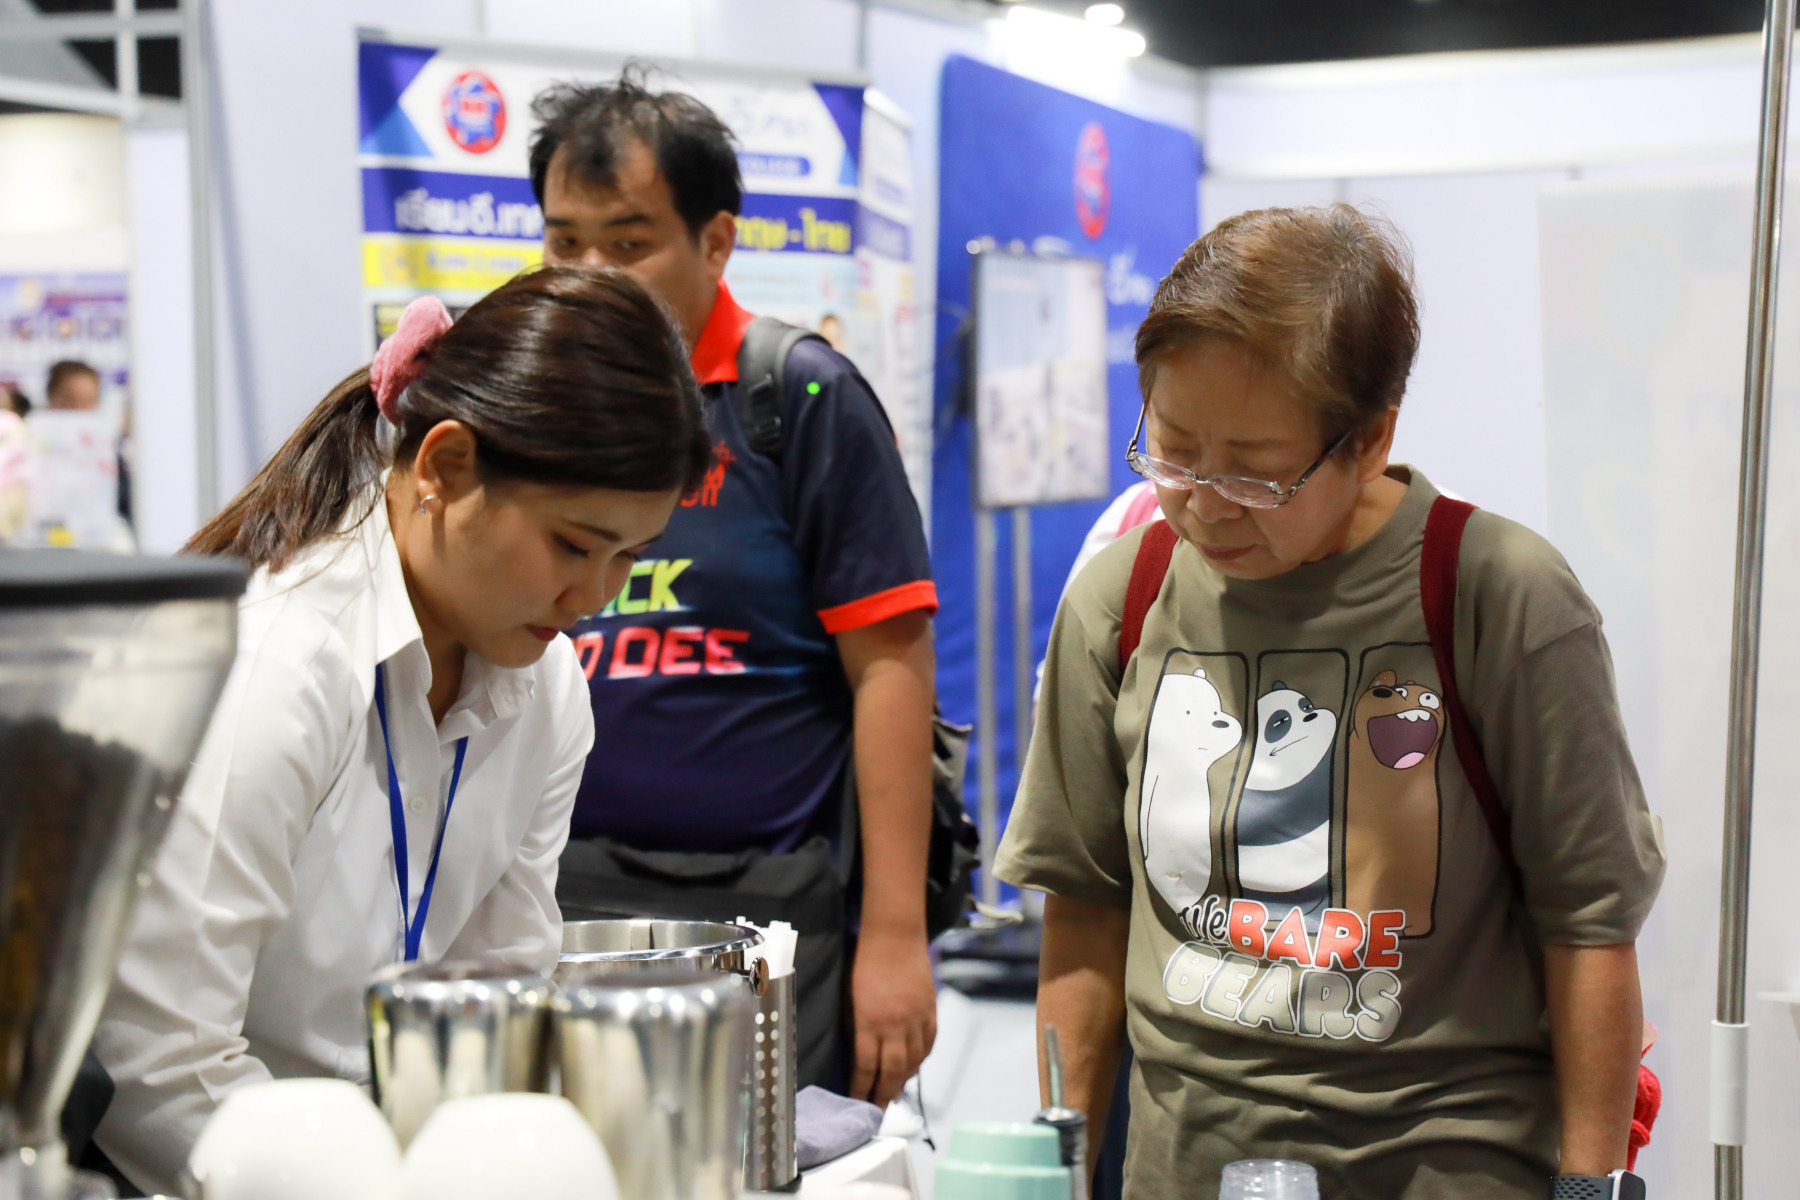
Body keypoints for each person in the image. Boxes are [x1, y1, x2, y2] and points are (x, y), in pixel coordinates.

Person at [997, 206, 1665, 1199]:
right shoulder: (1122, 598)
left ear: (1371, 438)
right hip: (1184, 1167)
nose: (1204, 504)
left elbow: (1590, 924)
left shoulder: (1497, 594)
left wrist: (1589, 1186)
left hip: (1445, 1164)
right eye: (1174, 451)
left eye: (1255, 474)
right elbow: (1084, 912)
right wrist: (1054, 1174)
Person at [92, 266, 711, 1195]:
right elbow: (161, 1068)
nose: (594, 596)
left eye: (629, 556)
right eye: (574, 545)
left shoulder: (545, 690)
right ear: (445, 467)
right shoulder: (273, 665)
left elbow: (500, 1012)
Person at [530, 75, 939, 1106]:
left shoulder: (799, 397)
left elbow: (891, 667)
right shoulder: (533, 406)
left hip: (771, 910)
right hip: (557, 896)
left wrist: (894, 938)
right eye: (565, 242)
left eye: (628, 244)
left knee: (762, 1168)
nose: (591, 275)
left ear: (715, 242)